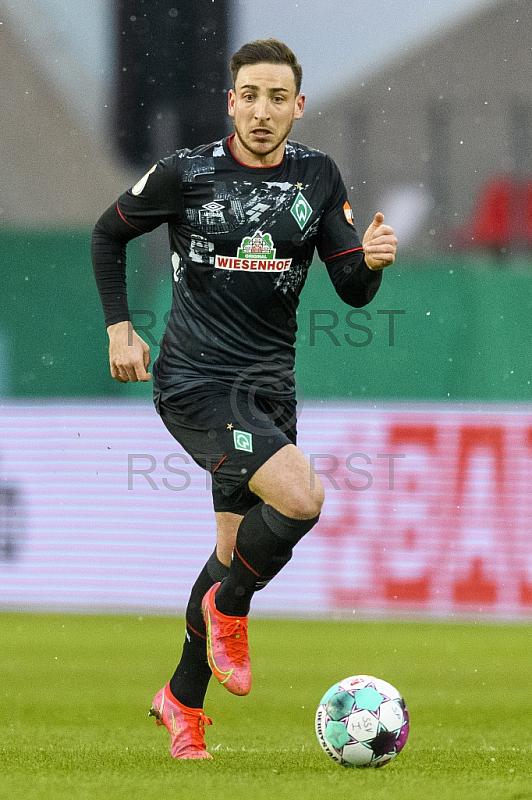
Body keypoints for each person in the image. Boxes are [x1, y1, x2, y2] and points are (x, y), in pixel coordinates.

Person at [91, 38, 397, 760]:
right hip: (194, 383)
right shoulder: (187, 173)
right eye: (249, 95)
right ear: (231, 101)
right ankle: (226, 611)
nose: (262, 111)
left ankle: (181, 702)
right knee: (301, 497)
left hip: (269, 390)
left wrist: (374, 264)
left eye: (276, 97)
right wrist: (119, 328)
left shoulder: (317, 176)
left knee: (233, 548)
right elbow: (108, 236)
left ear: (298, 105)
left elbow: (351, 288)